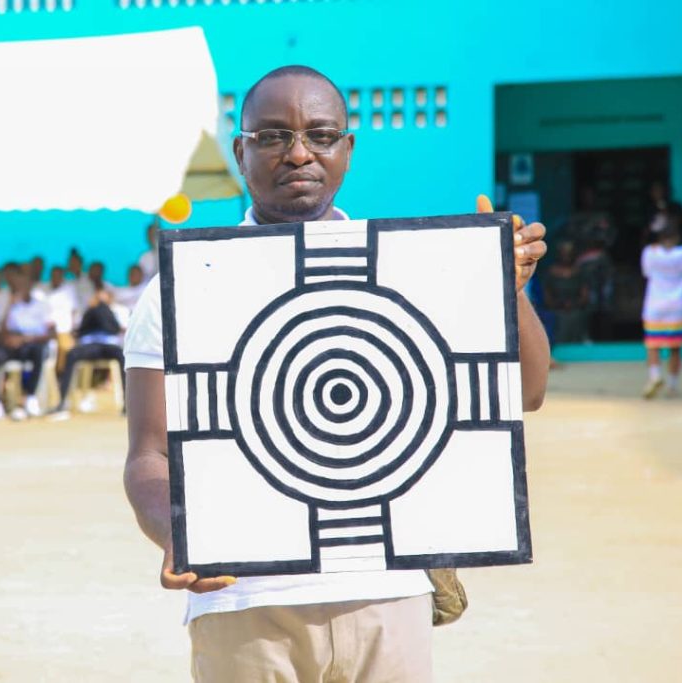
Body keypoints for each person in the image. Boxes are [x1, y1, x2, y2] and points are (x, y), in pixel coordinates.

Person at [122, 65, 550, 683]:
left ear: (347, 149)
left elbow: (527, 392)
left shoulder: (415, 269)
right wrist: (175, 531)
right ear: (240, 152)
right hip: (244, 599)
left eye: (320, 135)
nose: (299, 153)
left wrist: (508, 288)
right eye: (272, 136)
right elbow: (149, 453)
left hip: (387, 592)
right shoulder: (183, 285)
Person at [0, 270, 55, 422]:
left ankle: (30, 397)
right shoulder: (5, 302)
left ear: (30, 285)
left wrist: (26, 339)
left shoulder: (41, 305)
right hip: (10, 345)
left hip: (32, 343)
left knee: (39, 351)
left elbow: (52, 333)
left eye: (23, 284)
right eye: (16, 284)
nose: (19, 287)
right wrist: (9, 307)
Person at [53, 284, 125, 416]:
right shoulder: (88, 311)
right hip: (91, 346)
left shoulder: (118, 310)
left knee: (124, 356)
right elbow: (81, 330)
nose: (99, 300)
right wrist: (93, 309)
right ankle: (62, 401)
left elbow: (115, 329)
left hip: (108, 345)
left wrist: (102, 308)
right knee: (71, 354)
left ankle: (127, 403)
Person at [641, 222, 682, 398]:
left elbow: (646, 272)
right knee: (676, 348)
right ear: (677, 238)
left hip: (655, 305)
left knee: (653, 345)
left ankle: (655, 376)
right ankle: (672, 386)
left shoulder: (649, 253)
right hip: (679, 306)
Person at [544, 241, 588, 344]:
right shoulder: (552, 272)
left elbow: (585, 294)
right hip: (557, 310)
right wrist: (559, 305)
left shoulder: (579, 272)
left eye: (569, 254)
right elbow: (547, 295)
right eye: (564, 254)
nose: (566, 257)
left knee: (576, 318)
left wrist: (573, 304)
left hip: (576, 309)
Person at [43, 265, 77, 373]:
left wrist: (72, 329)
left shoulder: (69, 291)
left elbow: (73, 312)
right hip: (45, 331)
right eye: (53, 275)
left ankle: (61, 376)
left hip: (64, 330)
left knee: (66, 349)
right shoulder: (43, 290)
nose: (55, 278)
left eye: (58, 275)